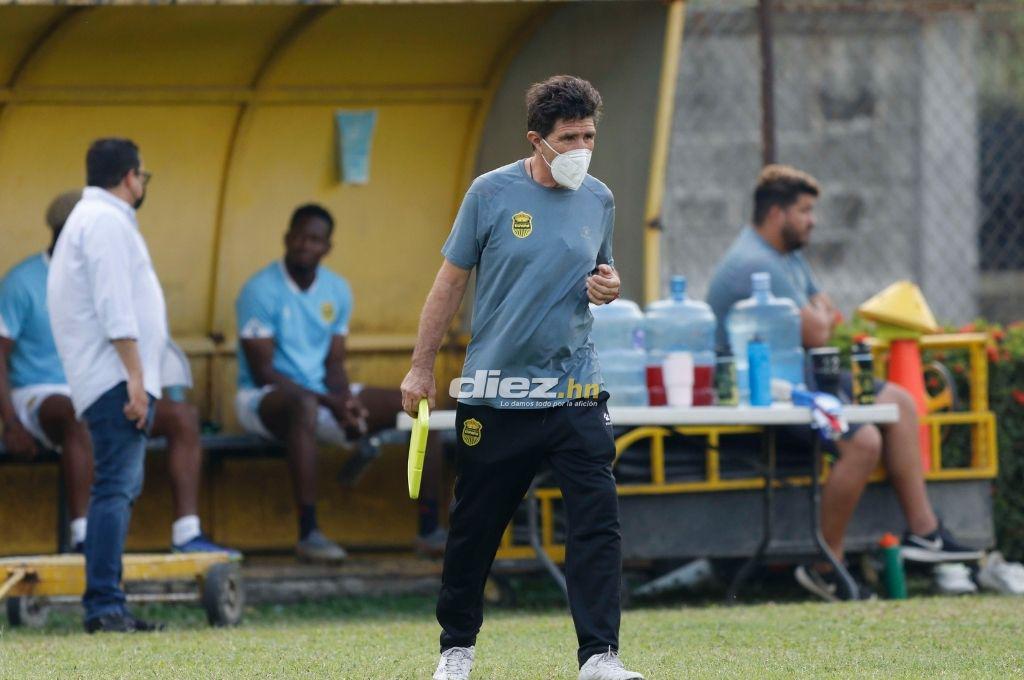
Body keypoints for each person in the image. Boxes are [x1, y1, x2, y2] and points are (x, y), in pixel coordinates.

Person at [402, 75, 643, 680]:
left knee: (597, 516)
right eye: (570, 138)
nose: (583, 149)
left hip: (575, 388)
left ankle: (599, 658)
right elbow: (449, 284)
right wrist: (420, 366)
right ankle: (456, 649)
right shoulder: (490, 194)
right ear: (538, 141)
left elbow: (603, 273)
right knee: (477, 526)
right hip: (498, 391)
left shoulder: (601, 198)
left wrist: (609, 287)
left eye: (590, 135)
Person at [706, 164, 984, 601]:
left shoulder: (787, 255)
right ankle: (824, 566)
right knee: (864, 441)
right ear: (777, 214)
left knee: (900, 401)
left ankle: (924, 534)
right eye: (805, 211)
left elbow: (826, 316)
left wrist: (817, 317)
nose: (813, 221)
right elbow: (818, 329)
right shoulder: (754, 263)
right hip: (765, 392)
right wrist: (817, 318)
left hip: (804, 379)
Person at [0, 190, 233, 557]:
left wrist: (159, 395)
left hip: (105, 386)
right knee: (81, 415)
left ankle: (187, 534)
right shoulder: (23, 281)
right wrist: (10, 422)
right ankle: (84, 537)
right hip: (40, 392)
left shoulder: (115, 275)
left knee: (182, 418)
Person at [235, 203, 445, 563]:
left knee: (420, 405)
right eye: (299, 236)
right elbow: (263, 373)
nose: (305, 244)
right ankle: (308, 533)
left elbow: (333, 365)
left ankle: (430, 531)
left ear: (327, 247)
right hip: (265, 400)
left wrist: (346, 400)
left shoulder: (336, 290)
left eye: (315, 239)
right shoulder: (260, 289)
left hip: (322, 397)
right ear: (287, 238)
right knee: (304, 407)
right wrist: (331, 403)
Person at [47, 138, 169, 632]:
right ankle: (104, 605)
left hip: (108, 376)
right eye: (143, 176)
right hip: (116, 378)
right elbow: (115, 305)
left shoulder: (88, 219)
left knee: (117, 488)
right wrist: (136, 378)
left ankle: (108, 600)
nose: (142, 184)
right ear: (130, 176)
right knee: (114, 489)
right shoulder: (104, 221)